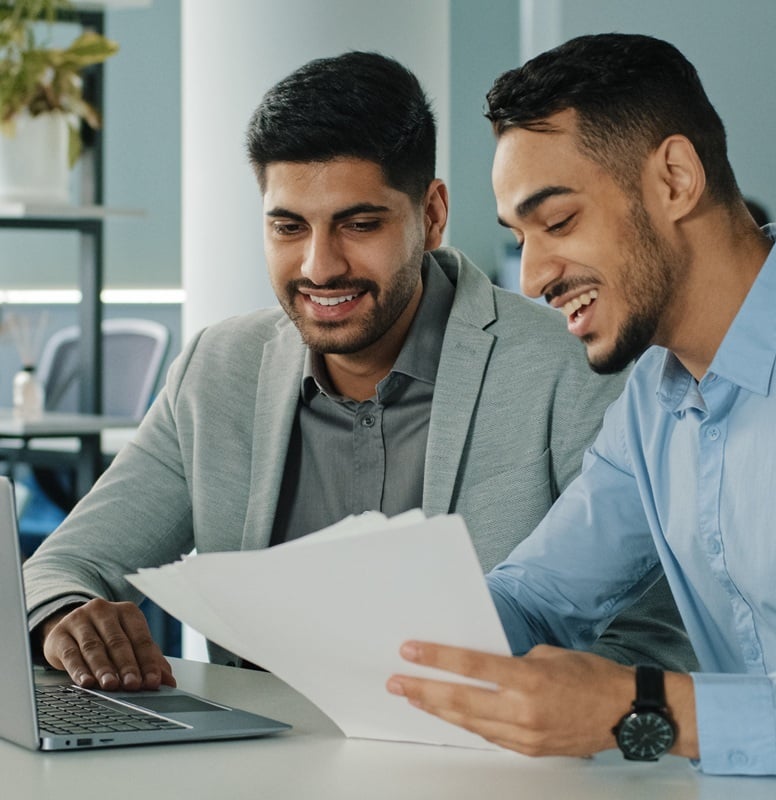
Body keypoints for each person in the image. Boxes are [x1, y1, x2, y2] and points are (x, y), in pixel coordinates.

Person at [23, 50, 692, 696]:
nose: (320, 266)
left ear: (431, 216)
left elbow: (652, 643)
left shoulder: (575, 364)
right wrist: (67, 618)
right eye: (288, 227)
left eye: (359, 224)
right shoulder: (220, 369)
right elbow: (61, 565)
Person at [387, 33, 776, 776]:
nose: (532, 278)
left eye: (558, 222)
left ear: (674, 179)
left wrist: (644, 708)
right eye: (520, 237)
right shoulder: (653, 403)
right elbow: (537, 596)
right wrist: (408, 634)